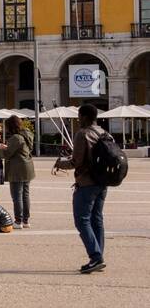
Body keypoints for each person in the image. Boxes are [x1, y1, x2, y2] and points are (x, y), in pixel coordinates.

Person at [56, 103, 109, 274]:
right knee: (97, 219)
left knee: (82, 220)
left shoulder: (82, 134)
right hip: (102, 182)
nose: (78, 119)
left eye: (79, 116)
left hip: (86, 183)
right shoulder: (104, 133)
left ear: (85, 117)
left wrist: (60, 163)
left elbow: (76, 162)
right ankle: (99, 255)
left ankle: (95, 257)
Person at [2, 114, 35, 229]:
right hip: (27, 167)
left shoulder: (16, 138)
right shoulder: (27, 134)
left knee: (17, 196)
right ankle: (26, 220)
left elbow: (7, 154)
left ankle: (18, 220)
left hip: (17, 169)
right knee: (25, 195)